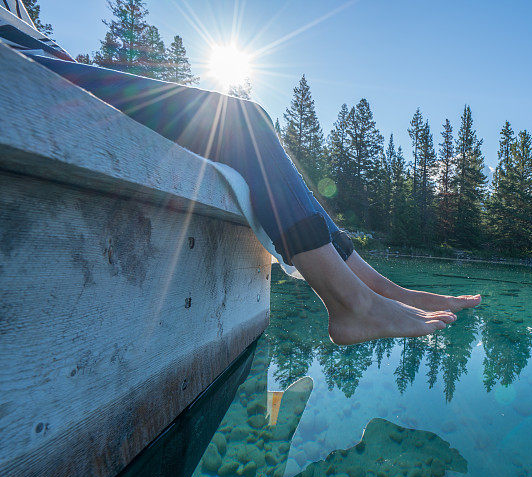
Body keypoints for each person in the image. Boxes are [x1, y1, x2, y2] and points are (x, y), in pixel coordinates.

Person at [1, 2, 481, 345]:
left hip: (50, 67)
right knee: (241, 120)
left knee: (250, 121)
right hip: (27, 69)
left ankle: (379, 289)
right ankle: (351, 303)